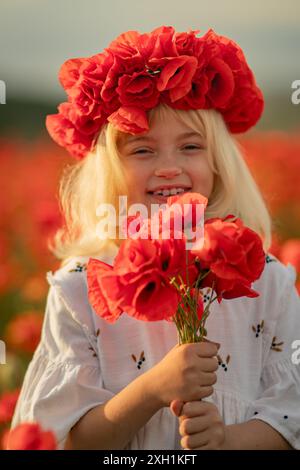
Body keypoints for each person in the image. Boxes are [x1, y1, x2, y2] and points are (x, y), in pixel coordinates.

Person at [11, 26, 300, 450]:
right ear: (109, 169)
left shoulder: (263, 277)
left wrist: (225, 441)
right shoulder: (80, 285)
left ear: (219, 162)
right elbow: (67, 437)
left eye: (190, 147)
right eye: (143, 150)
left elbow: (290, 414)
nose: (169, 167)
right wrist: (150, 390)